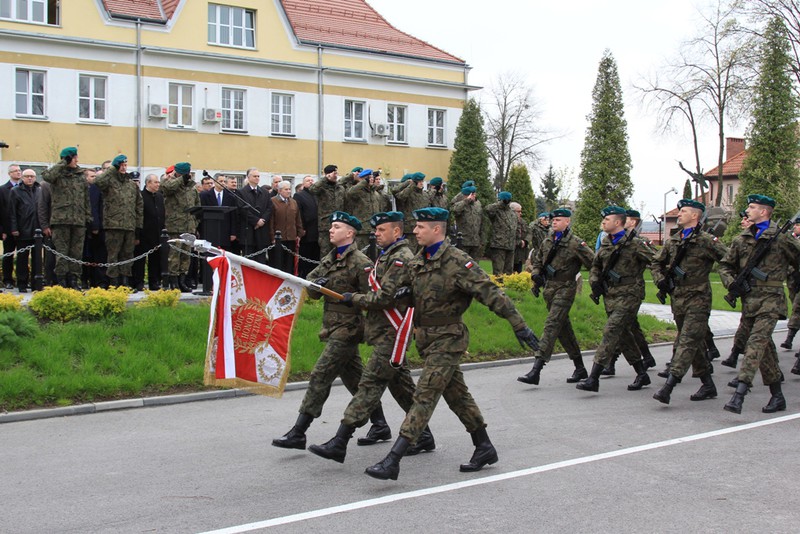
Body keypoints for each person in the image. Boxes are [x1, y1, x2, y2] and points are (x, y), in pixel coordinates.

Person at [364, 207, 540, 481]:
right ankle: (484, 447)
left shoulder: (458, 261)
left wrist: (519, 325)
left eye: (421, 227)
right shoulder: (419, 260)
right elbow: (412, 293)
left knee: (425, 394)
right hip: (427, 339)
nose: (416, 231)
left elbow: (491, 292)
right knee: (457, 395)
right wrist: (404, 293)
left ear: (437, 229)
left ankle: (393, 459)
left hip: (449, 339)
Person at [308, 211, 435, 463]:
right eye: (375, 230)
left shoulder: (401, 258)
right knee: (401, 387)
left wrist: (350, 297)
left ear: (396, 232)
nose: (375, 234)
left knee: (369, 384)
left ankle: (340, 441)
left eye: (381, 230)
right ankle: (423, 435)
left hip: (393, 333)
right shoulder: (388, 256)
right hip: (383, 331)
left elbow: (383, 298)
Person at [272, 211, 378, 450]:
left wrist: (354, 298)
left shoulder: (361, 262)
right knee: (356, 381)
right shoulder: (330, 258)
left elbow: (372, 298)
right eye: (331, 226)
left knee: (320, 375)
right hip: (331, 326)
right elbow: (311, 283)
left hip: (349, 328)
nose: (331, 230)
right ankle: (380, 423)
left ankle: (299, 431)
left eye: (337, 226)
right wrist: (317, 287)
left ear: (349, 233)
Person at [718, 194, 800, 414]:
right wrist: (731, 283)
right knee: (764, 349)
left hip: (771, 300)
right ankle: (777, 396)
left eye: (752, 207)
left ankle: (740, 394)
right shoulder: (741, 239)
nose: (748, 210)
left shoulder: (781, 238)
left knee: (755, 343)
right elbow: (725, 266)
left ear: (764, 211)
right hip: (749, 301)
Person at [651, 200, 728, 405]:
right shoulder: (674, 240)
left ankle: (669, 385)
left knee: (686, 340)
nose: (679, 214)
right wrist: (660, 280)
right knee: (694, 343)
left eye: (683, 211)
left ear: (695, 216)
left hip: (699, 297)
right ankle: (708, 384)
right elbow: (656, 262)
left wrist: (731, 281)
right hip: (678, 297)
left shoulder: (706, 240)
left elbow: (729, 260)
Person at [576, 206, 655, 393]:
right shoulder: (606, 242)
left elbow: (657, 260)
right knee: (623, 334)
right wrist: (595, 282)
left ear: (618, 222)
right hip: (610, 294)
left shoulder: (636, 243)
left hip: (630, 293)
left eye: (607, 220)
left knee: (611, 330)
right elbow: (596, 265)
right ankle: (642, 373)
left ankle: (593, 378)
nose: (603, 222)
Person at [518, 208, 594, 385]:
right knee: (563, 329)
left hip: (566, 288)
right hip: (549, 289)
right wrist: (536, 274)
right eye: (553, 220)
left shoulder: (576, 243)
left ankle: (536, 369)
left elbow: (594, 263)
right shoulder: (548, 240)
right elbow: (538, 261)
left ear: (568, 222)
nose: (554, 222)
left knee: (552, 325)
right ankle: (580, 368)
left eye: (559, 220)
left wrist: (596, 282)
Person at [42, 147, 91, 290]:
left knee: (76, 253)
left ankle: (74, 280)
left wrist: (87, 216)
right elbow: (47, 176)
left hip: (78, 220)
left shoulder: (80, 175)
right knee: (62, 253)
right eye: (74, 158)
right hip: (61, 220)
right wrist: (63, 163)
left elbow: (85, 198)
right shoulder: (57, 174)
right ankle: (61, 280)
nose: (77, 160)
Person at [94, 155, 143, 288]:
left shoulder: (131, 185)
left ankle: (125, 281)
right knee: (113, 255)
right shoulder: (109, 181)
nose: (123, 167)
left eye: (125, 165)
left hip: (129, 226)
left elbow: (139, 207)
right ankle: (113, 282)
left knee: (127, 255)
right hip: (113, 225)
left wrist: (138, 228)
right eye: (121, 165)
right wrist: (112, 169)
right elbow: (97, 181)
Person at [720, 211, 754, 369]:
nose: (743, 222)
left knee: (757, 332)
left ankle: (739, 362)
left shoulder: (771, 241)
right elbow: (728, 263)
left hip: (766, 294)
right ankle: (735, 354)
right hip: (747, 291)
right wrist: (732, 283)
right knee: (748, 325)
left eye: (746, 219)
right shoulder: (740, 240)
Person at [161, 162, 200, 291]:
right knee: (174, 256)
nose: (187, 176)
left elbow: (197, 207)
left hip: (189, 226)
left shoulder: (192, 188)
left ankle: (182, 280)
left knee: (186, 256)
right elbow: (166, 189)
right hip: (175, 226)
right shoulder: (169, 182)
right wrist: (179, 179)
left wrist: (195, 223)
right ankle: (174, 281)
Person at [131, 174, 166, 291]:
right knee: (140, 260)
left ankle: (154, 281)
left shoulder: (160, 196)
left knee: (155, 260)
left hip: (157, 233)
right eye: (155, 182)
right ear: (148, 183)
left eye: (158, 182)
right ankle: (138, 282)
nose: (158, 184)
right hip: (144, 233)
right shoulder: (141, 195)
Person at [8, 168, 40, 292]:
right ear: (22, 177)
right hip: (23, 230)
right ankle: (22, 283)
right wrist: (14, 228)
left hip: (37, 231)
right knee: (22, 259)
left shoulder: (39, 190)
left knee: (37, 260)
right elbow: (12, 212)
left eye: (32, 176)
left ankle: (35, 284)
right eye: (27, 176)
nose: (30, 178)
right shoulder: (15, 191)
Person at [343, 168, 384, 250]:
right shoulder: (357, 191)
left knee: (374, 255)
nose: (371, 179)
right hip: (362, 231)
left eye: (372, 177)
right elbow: (349, 193)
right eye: (369, 177)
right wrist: (364, 182)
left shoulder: (375, 193)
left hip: (374, 230)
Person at [237, 168, 272, 264]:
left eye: (258, 176)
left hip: (262, 231)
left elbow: (269, 208)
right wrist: (256, 221)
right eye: (254, 176)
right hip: (248, 231)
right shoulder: (241, 192)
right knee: (249, 260)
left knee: (261, 260)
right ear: (248, 178)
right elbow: (242, 209)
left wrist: (262, 220)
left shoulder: (264, 192)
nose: (257, 178)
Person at [308, 164, 344, 259]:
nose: (336, 175)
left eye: (336, 173)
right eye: (333, 173)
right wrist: (325, 179)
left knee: (339, 252)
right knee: (326, 253)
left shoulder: (340, 188)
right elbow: (312, 190)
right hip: (326, 226)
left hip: (339, 225)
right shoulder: (322, 187)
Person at [269, 180, 304, 274]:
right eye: (286, 189)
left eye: (289, 189)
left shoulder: (293, 202)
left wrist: (299, 234)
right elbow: (271, 221)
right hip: (279, 238)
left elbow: (298, 219)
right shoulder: (273, 201)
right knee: (278, 263)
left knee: (289, 264)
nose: (288, 191)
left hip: (291, 238)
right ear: (280, 191)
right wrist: (272, 237)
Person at [1, 164, 23, 289]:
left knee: (22, 256)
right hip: (7, 229)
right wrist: (2, 231)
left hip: (23, 228)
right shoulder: (3, 190)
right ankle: (8, 280)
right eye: (15, 171)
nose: (18, 173)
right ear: (9, 173)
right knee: (8, 255)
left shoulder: (24, 188)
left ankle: (22, 280)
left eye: (19, 170)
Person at [485, 191, 517, 275]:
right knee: (498, 271)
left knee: (508, 270)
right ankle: (498, 286)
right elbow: (487, 209)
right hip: (499, 244)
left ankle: (507, 285)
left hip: (510, 245)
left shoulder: (512, 213)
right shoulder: (496, 211)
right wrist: (500, 203)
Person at [294, 175, 319, 278]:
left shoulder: (317, 195)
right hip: (306, 232)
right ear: (303, 183)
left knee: (316, 256)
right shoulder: (299, 195)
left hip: (317, 231)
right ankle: (304, 276)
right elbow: (298, 213)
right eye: (308, 181)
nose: (311, 182)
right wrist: (301, 229)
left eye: (312, 180)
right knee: (306, 257)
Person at [781, 216, 800, 350]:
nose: (795, 227)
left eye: (797, 225)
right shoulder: (791, 239)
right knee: (795, 305)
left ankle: (789, 338)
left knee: (797, 307)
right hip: (793, 279)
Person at [450, 184, 483, 259]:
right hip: (463, 242)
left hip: (475, 242)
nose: (475, 196)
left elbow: (481, 222)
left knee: (474, 267)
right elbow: (455, 210)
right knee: (463, 265)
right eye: (473, 194)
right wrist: (466, 201)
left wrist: (481, 240)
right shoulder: (461, 204)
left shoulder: (477, 205)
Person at [35, 178, 56, 286]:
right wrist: (44, 226)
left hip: (68, 225)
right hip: (51, 226)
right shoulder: (46, 185)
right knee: (50, 258)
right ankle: (49, 281)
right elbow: (42, 207)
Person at [510, 202, 530, 273]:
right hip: (511, 252)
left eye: (521, 211)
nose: (520, 213)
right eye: (518, 211)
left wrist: (525, 241)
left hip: (521, 253)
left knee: (519, 272)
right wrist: (519, 242)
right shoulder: (509, 222)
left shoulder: (523, 222)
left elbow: (529, 232)